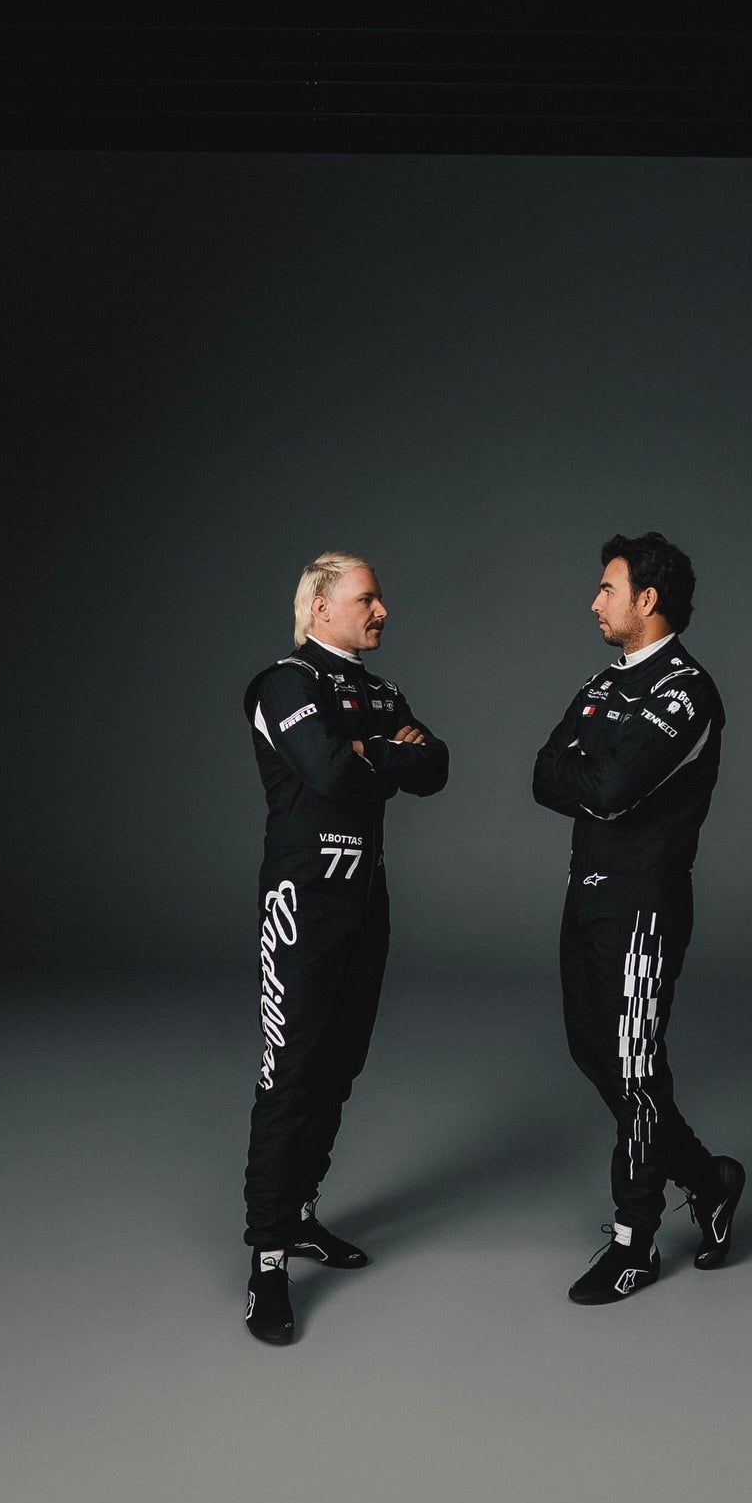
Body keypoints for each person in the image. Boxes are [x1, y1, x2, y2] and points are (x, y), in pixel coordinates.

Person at [241, 552, 449, 1344]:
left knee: (339, 1066)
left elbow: (435, 766)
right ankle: (266, 1259)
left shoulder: (381, 691)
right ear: (321, 605)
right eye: (368, 597)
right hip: (302, 905)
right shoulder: (285, 682)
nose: (382, 609)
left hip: (365, 904)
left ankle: (299, 1215)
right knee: (289, 1071)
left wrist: (370, 751)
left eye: (381, 597)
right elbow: (330, 773)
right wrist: (377, 752)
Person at [533, 531, 744, 1304]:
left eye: (607, 588)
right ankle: (710, 1180)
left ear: (647, 599)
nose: (594, 601)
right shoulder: (602, 683)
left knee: (635, 1066)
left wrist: (595, 772)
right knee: (594, 1052)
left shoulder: (688, 690)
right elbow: (544, 773)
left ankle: (635, 1240)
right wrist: (599, 773)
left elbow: (611, 787)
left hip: (645, 904)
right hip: (585, 896)